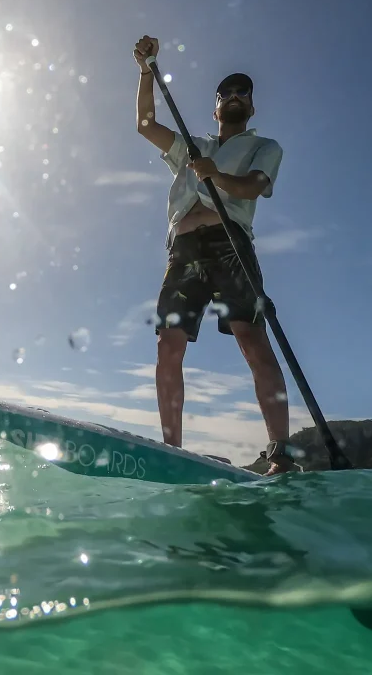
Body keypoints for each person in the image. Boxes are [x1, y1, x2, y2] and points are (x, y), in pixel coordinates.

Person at [133, 35, 295, 475]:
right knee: (169, 343)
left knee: (250, 337)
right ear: (216, 106)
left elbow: (253, 187)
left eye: (245, 92)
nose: (237, 96)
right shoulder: (191, 143)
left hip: (230, 244)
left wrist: (217, 176)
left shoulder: (266, 146)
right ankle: (172, 449)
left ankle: (280, 452)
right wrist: (146, 73)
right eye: (227, 92)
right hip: (183, 249)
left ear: (253, 107)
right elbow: (146, 125)